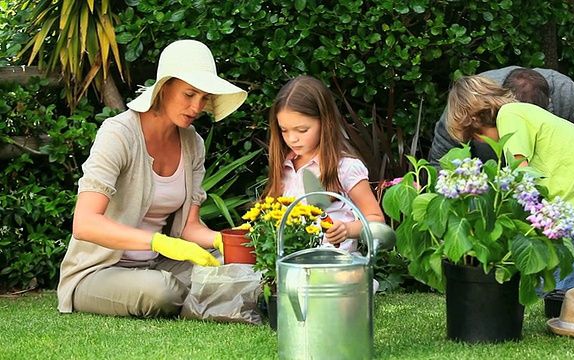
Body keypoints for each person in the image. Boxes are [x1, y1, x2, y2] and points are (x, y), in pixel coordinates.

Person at [56, 39, 248, 317]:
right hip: (100, 270)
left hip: (160, 266)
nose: (197, 107)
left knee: (236, 268)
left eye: (204, 98)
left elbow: (188, 229)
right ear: (164, 87)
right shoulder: (119, 134)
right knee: (162, 292)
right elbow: (84, 224)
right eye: (189, 94)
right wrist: (157, 241)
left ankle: (202, 295)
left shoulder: (193, 143)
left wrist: (224, 241)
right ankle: (199, 298)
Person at [444, 75, 574, 298]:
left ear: (476, 120)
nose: (479, 143)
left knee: (531, 280)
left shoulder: (509, 117)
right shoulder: (528, 114)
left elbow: (522, 176)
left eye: (473, 137)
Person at [261, 75, 385, 254]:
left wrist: (348, 229)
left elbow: (376, 220)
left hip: (336, 268)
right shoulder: (285, 165)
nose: (292, 138)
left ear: (325, 123)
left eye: (302, 130)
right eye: (284, 130)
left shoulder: (345, 167)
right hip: (292, 266)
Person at [430, 66, 574, 165]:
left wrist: (560, 144)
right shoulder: (466, 108)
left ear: (549, 106)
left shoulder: (562, 92)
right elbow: (437, 170)